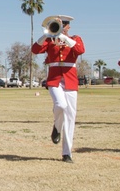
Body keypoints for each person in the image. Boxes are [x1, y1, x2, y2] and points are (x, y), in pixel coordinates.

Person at [31, 15, 85, 163]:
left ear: (68, 27)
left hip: (70, 79)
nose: (62, 26)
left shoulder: (75, 38)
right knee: (60, 105)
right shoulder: (49, 40)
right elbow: (35, 50)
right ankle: (57, 126)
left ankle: (67, 153)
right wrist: (46, 35)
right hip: (54, 79)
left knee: (70, 116)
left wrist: (63, 36)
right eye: (58, 24)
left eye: (65, 24)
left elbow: (80, 50)